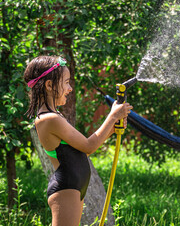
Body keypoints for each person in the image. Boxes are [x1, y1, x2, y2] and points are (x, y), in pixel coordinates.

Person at [24, 56, 133, 226]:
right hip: (66, 188)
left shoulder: (54, 117)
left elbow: (82, 148)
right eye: (66, 82)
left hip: (73, 186)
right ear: (50, 85)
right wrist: (112, 116)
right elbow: (88, 146)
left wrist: (113, 128)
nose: (70, 88)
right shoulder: (49, 119)